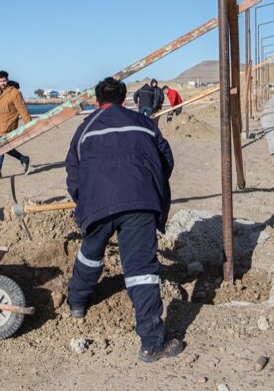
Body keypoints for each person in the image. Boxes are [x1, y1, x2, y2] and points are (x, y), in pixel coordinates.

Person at [65, 77, 182, 362]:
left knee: (90, 255)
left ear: (96, 101)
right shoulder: (143, 123)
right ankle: (152, 343)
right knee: (141, 269)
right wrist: (148, 184)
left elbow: (73, 172)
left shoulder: (85, 128)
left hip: (98, 204)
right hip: (140, 202)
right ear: (125, 99)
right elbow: (166, 159)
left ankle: (77, 303)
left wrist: (87, 199)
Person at [0, 70, 32, 180]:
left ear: (7, 79)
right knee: (6, 148)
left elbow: (23, 110)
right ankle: (23, 158)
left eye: (4, 80)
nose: (2, 83)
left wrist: (30, 125)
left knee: (0, 148)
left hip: (9, 126)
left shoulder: (15, 93)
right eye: (0, 81)